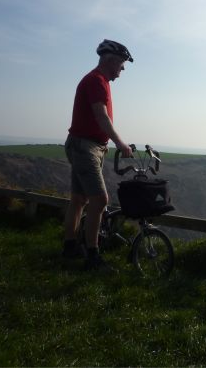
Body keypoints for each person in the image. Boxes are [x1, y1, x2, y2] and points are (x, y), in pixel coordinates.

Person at [63, 39, 134, 270]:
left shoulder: (97, 80)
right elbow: (101, 117)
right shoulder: (97, 81)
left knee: (79, 200)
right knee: (100, 200)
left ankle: (70, 247)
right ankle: (93, 257)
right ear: (110, 60)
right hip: (86, 147)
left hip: (83, 145)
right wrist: (121, 144)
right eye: (121, 66)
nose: (121, 72)